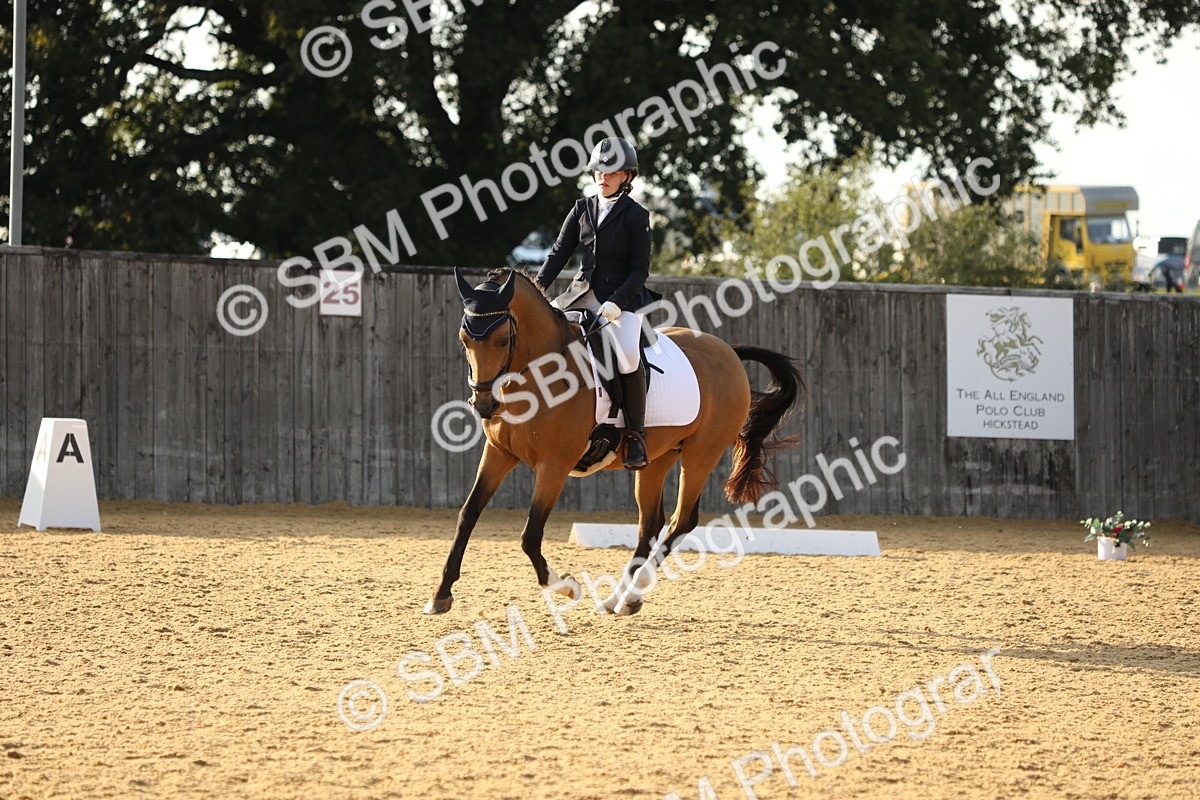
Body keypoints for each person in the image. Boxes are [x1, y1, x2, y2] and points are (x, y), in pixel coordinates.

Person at [534, 137, 661, 470]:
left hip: (623, 299)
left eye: (611, 172)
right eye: (597, 171)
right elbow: (558, 253)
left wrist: (618, 301)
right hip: (578, 294)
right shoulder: (581, 208)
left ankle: (635, 435)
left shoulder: (637, 215)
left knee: (629, 354)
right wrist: (536, 289)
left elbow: (640, 269)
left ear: (626, 176)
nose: (602, 177)